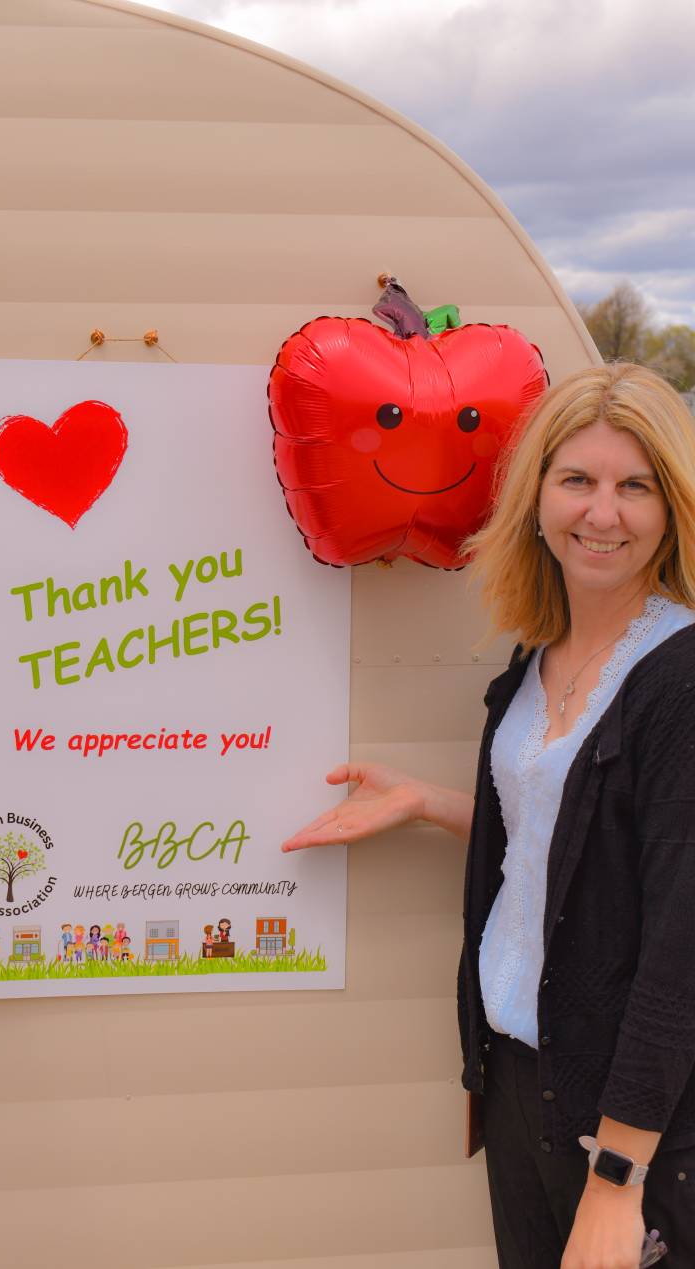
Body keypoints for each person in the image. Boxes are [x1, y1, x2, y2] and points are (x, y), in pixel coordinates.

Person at [281, 363, 695, 1269]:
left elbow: (680, 945)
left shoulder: (679, 677)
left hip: (631, 1122)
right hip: (519, 1077)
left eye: (636, 486)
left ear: (673, 508)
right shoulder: (541, 651)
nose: (602, 512)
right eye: (577, 480)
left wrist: (617, 1176)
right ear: (536, 494)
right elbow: (574, 837)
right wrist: (430, 803)